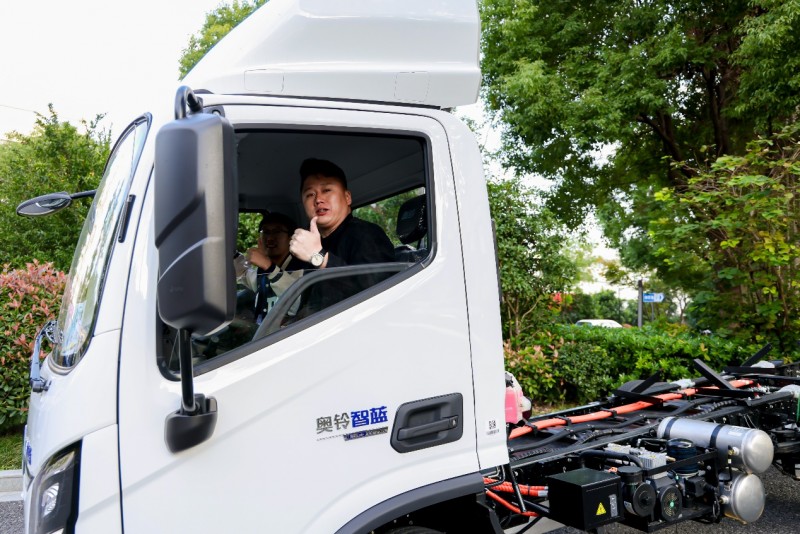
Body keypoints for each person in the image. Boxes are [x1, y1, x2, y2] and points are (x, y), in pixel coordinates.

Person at [288, 158, 394, 314]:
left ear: (347, 197)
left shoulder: (366, 235)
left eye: (327, 190)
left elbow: (379, 296)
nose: (318, 199)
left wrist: (319, 257)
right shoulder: (307, 244)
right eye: (310, 194)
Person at [238, 211, 305, 324]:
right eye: (266, 232)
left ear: (290, 238)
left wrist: (268, 266)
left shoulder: (301, 268)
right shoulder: (262, 272)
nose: (270, 238)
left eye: (277, 232)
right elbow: (244, 274)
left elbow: (297, 304)